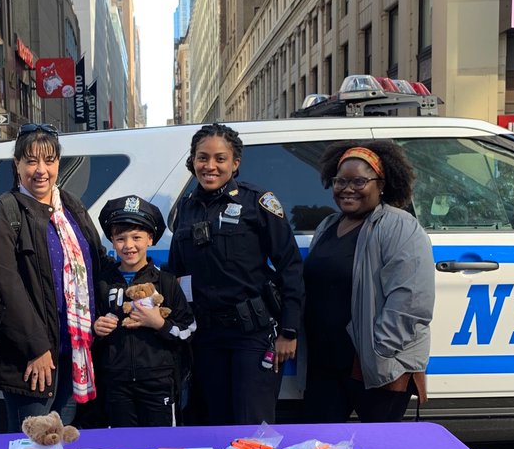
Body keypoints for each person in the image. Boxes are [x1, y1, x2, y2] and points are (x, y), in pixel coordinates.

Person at [167, 123, 304, 426]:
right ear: (193, 161)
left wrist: (289, 330)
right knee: (213, 424)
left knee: (251, 425)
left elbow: (290, 266)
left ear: (235, 163)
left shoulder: (257, 202)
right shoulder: (186, 209)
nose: (210, 166)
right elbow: (177, 272)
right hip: (206, 336)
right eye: (202, 158)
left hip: (252, 333)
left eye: (220, 158)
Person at [0, 123, 109, 430]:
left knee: (61, 436)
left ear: (58, 164)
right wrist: (36, 348)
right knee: (33, 441)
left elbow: (96, 262)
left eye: (49, 161)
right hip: (32, 358)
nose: (41, 170)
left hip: (73, 349)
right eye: (31, 161)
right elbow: (7, 286)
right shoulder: (3, 212)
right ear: (17, 164)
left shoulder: (71, 206)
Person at [302, 140, 435, 423]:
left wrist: (376, 352)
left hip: (373, 367)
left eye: (359, 181)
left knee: (378, 445)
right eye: (340, 181)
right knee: (320, 443)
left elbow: (411, 301)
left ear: (381, 185)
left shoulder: (400, 226)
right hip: (326, 365)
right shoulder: (328, 226)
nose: (347, 188)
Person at [93, 196, 195, 427]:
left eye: (136, 237)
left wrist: (160, 324)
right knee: (123, 444)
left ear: (150, 239)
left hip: (158, 383)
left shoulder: (166, 282)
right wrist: (96, 328)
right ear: (112, 241)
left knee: (162, 444)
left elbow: (189, 329)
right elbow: (88, 328)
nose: (129, 245)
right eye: (120, 238)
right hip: (116, 383)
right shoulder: (103, 284)